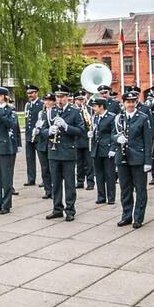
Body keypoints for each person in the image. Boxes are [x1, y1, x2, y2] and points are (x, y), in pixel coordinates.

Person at [113, 90, 154, 228]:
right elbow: (112, 134)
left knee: (140, 189)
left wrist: (148, 161)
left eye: (132, 102)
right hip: (122, 157)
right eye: (127, 102)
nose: (130, 104)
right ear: (123, 103)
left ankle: (138, 217)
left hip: (138, 158)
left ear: (136, 102)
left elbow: (148, 141)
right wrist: (117, 138)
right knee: (125, 188)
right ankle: (126, 216)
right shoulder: (119, 117)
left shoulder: (143, 117)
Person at [45, 85, 86, 222]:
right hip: (53, 152)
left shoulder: (74, 112)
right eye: (57, 96)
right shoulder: (51, 111)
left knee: (69, 183)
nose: (59, 99)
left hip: (68, 152)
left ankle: (70, 210)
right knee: (55, 183)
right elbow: (42, 130)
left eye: (62, 96)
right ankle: (57, 209)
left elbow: (80, 131)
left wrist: (66, 126)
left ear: (67, 97)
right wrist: (48, 131)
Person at [89, 97, 117, 205]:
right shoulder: (95, 117)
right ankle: (101, 196)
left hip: (107, 149)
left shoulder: (111, 117)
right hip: (97, 149)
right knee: (99, 174)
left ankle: (111, 197)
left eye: (95, 106)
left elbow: (113, 134)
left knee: (109, 174)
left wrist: (113, 148)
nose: (93, 108)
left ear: (101, 106)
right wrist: (91, 134)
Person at [34, 93, 56, 199]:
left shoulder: (56, 112)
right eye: (46, 100)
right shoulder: (41, 113)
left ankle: (54, 189)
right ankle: (48, 190)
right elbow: (39, 124)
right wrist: (36, 130)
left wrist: (44, 131)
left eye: (50, 100)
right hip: (42, 143)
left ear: (54, 102)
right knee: (44, 168)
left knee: (53, 169)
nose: (47, 102)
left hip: (52, 143)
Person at [23, 85, 43, 188]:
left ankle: (45, 179)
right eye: (28, 93)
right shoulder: (28, 105)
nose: (30, 95)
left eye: (32, 93)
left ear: (36, 93)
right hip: (29, 136)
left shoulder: (42, 104)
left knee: (42, 159)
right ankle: (31, 178)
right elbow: (27, 120)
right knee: (29, 158)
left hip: (39, 136)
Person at [73, 92, 94, 190]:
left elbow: (94, 122)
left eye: (82, 99)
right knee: (79, 162)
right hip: (77, 139)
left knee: (89, 163)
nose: (80, 101)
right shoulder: (73, 110)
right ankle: (80, 181)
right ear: (75, 100)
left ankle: (90, 182)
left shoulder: (90, 109)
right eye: (78, 99)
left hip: (88, 139)